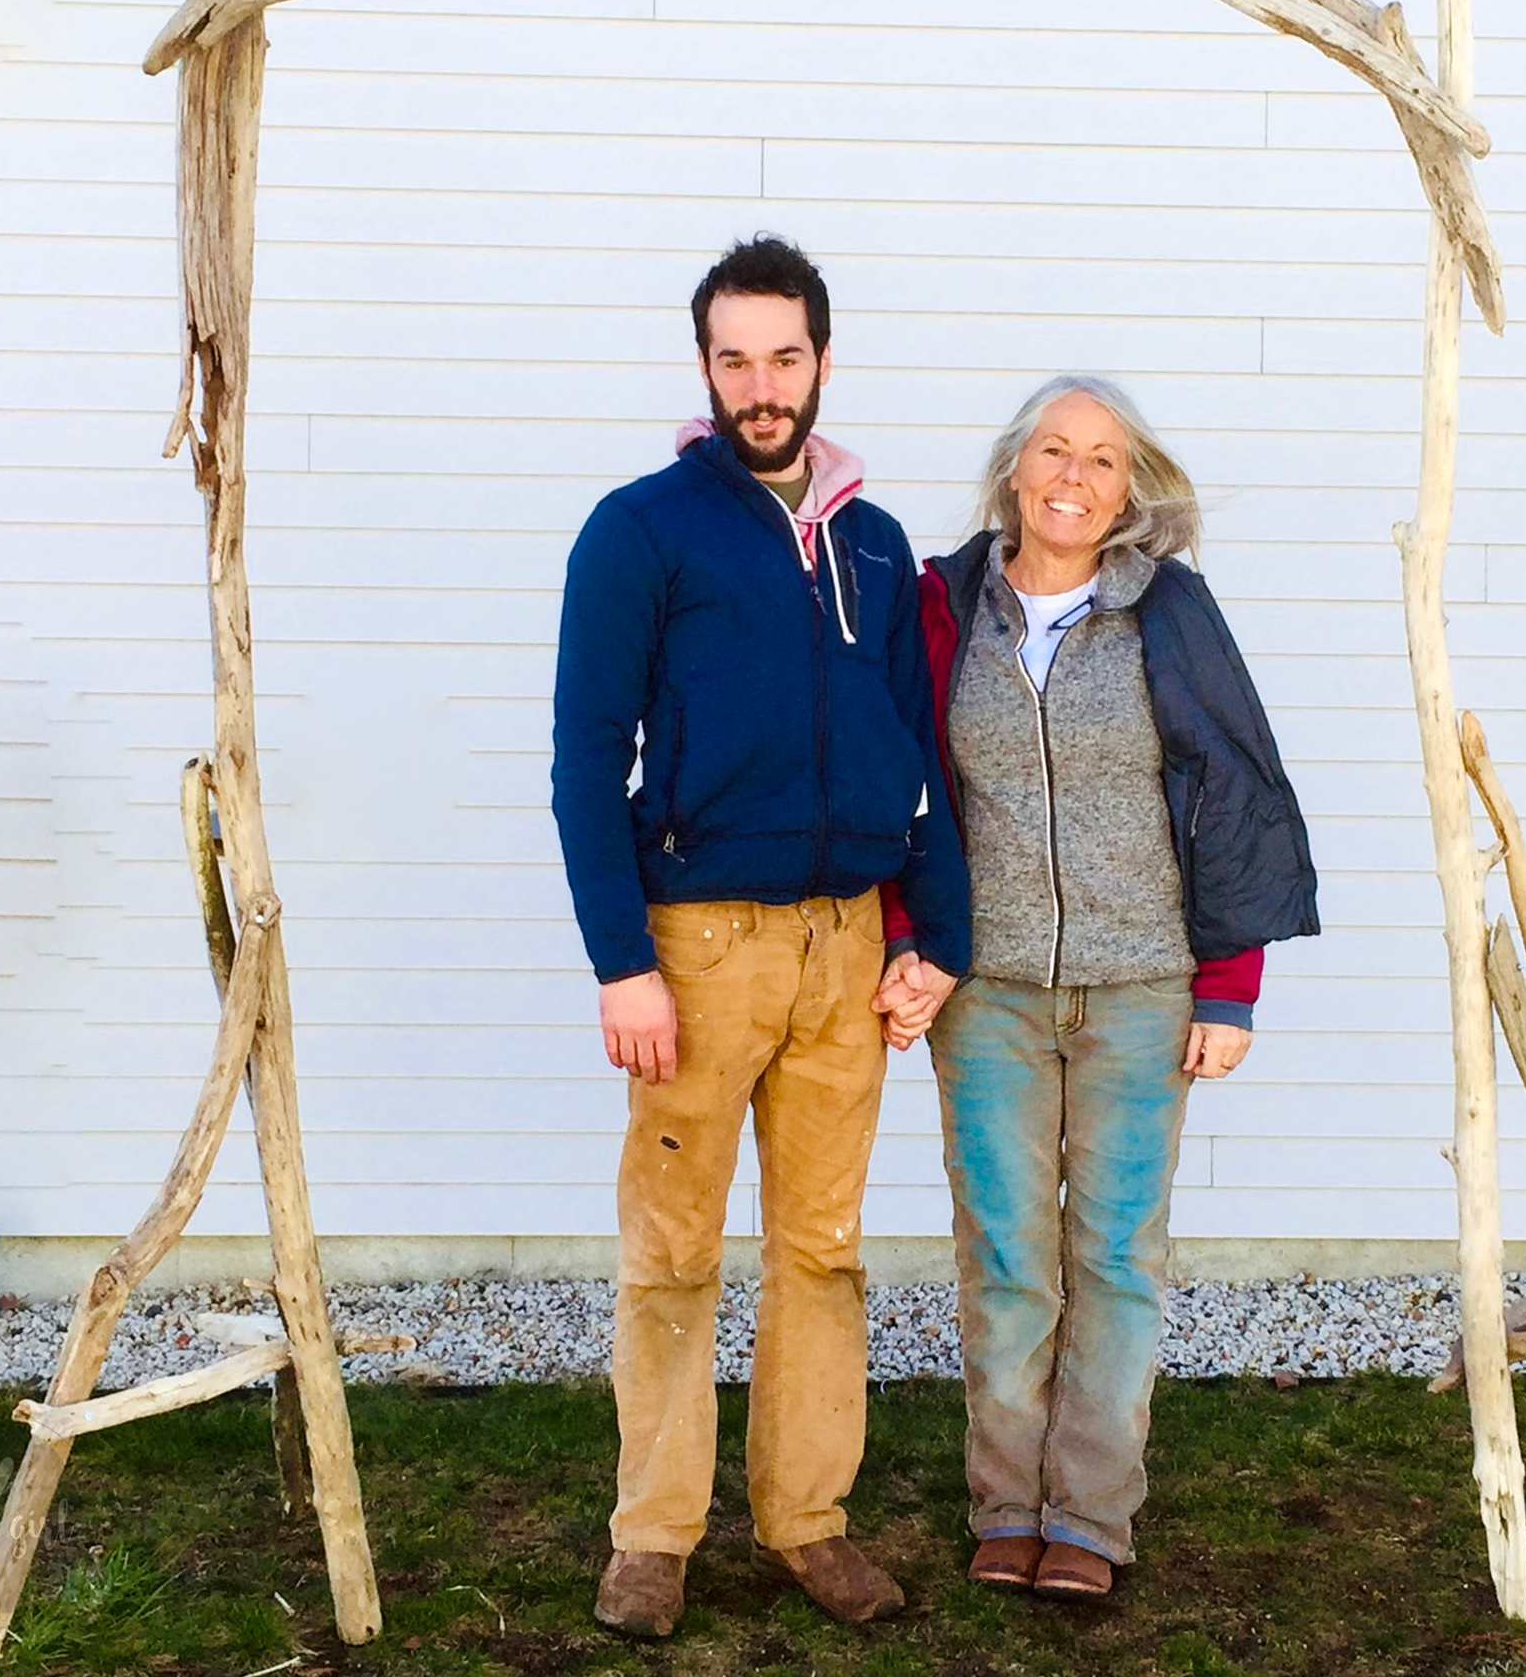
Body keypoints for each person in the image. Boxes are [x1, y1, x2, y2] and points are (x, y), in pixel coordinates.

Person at [551, 234, 970, 1640]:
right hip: (698, 947)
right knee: (672, 1250)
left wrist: (939, 935)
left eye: (785, 355)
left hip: (846, 949)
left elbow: (923, 751)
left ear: (823, 360)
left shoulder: (871, 539)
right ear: (705, 368)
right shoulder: (642, 530)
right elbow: (582, 756)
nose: (761, 383)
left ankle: (808, 1522)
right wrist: (624, 962)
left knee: (823, 1249)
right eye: (735, 357)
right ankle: (656, 1537)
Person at [877, 374, 1317, 1599]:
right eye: (1053, 450)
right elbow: (904, 786)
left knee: (1116, 1256)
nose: (1074, 476)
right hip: (988, 993)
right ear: (1014, 468)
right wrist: (907, 940)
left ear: (1130, 486)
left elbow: (1229, 786)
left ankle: (1088, 1515)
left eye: (1103, 460)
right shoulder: (940, 605)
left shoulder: (1167, 611)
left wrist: (1228, 987)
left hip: (1142, 990)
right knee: (1007, 1257)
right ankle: (1004, 1501)